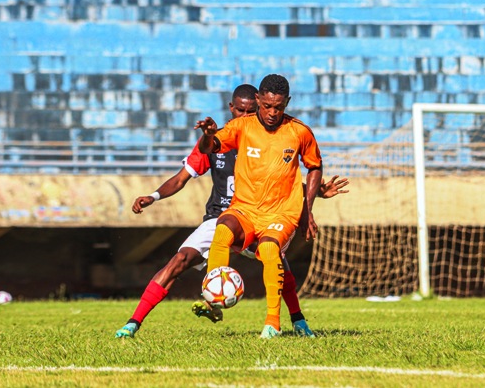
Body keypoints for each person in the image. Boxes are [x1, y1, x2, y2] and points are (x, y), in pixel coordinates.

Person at [115, 84, 347, 339]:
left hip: (268, 215)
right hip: (225, 215)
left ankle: (294, 319)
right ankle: (136, 321)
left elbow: (281, 180)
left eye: (250, 111)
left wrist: (312, 197)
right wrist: (154, 195)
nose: (245, 116)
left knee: (278, 262)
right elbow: (182, 177)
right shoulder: (223, 137)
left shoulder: (277, 135)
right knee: (180, 259)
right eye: (241, 110)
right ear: (232, 108)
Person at [195, 74, 323, 339]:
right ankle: (213, 300)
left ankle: (272, 323)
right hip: (245, 209)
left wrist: (307, 210)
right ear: (258, 100)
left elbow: (314, 167)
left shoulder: (299, 131)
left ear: (287, 102)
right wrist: (207, 136)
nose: (272, 112)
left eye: (279, 107)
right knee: (223, 229)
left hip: (281, 213)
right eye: (267, 106)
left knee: (268, 249)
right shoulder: (243, 126)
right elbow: (211, 146)